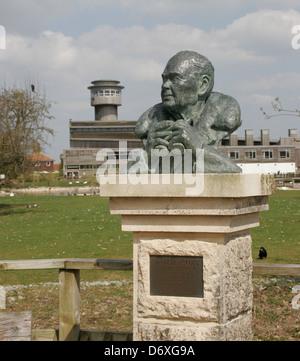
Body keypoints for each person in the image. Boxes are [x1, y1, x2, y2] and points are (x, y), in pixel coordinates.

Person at [131, 50, 242, 173]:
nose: (165, 85)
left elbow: (233, 171)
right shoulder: (150, 121)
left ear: (202, 85)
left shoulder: (224, 113)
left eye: (175, 79)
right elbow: (127, 176)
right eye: (164, 79)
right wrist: (148, 156)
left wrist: (197, 147)